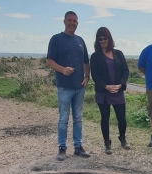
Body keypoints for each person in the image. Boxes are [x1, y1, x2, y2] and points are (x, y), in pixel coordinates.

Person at [46, 11, 91, 161]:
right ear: (64, 21)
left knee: (78, 118)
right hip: (64, 87)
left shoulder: (80, 40)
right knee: (63, 119)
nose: (72, 23)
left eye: (75, 21)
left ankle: (78, 147)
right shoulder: (56, 39)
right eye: (70, 20)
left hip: (79, 87)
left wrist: (86, 77)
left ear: (77, 23)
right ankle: (62, 148)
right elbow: (49, 61)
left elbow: (86, 61)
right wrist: (62, 69)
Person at [90, 27, 130, 155]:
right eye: (100, 39)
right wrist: (105, 86)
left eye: (105, 38)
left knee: (121, 118)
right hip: (103, 93)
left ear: (109, 39)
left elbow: (125, 71)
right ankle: (107, 143)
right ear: (97, 40)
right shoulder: (95, 56)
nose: (103, 41)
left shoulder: (119, 54)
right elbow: (94, 75)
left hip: (118, 91)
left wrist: (120, 84)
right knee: (105, 118)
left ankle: (122, 138)